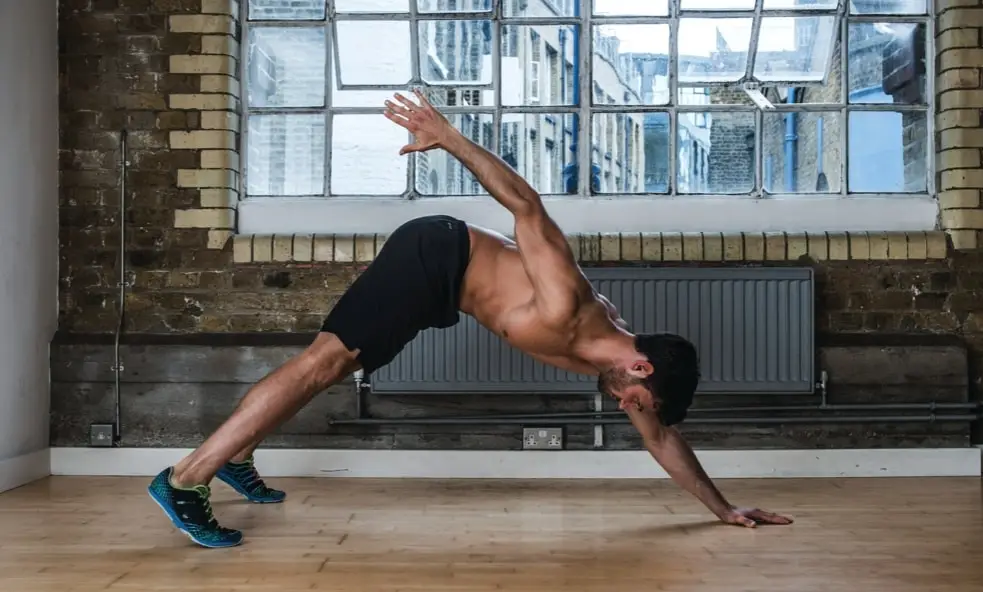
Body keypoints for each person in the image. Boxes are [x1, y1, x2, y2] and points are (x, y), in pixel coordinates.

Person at [148, 89, 794, 548]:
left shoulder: (613, 365)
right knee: (327, 363)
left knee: (332, 368)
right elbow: (526, 206)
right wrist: (449, 137)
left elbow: (660, 439)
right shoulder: (570, 305)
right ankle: (186, 479)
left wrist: (723, 508)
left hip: (443, 290)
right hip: (437, 252)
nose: (631, 409)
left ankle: (237, 457)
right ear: (640, 366)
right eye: (638, 399)